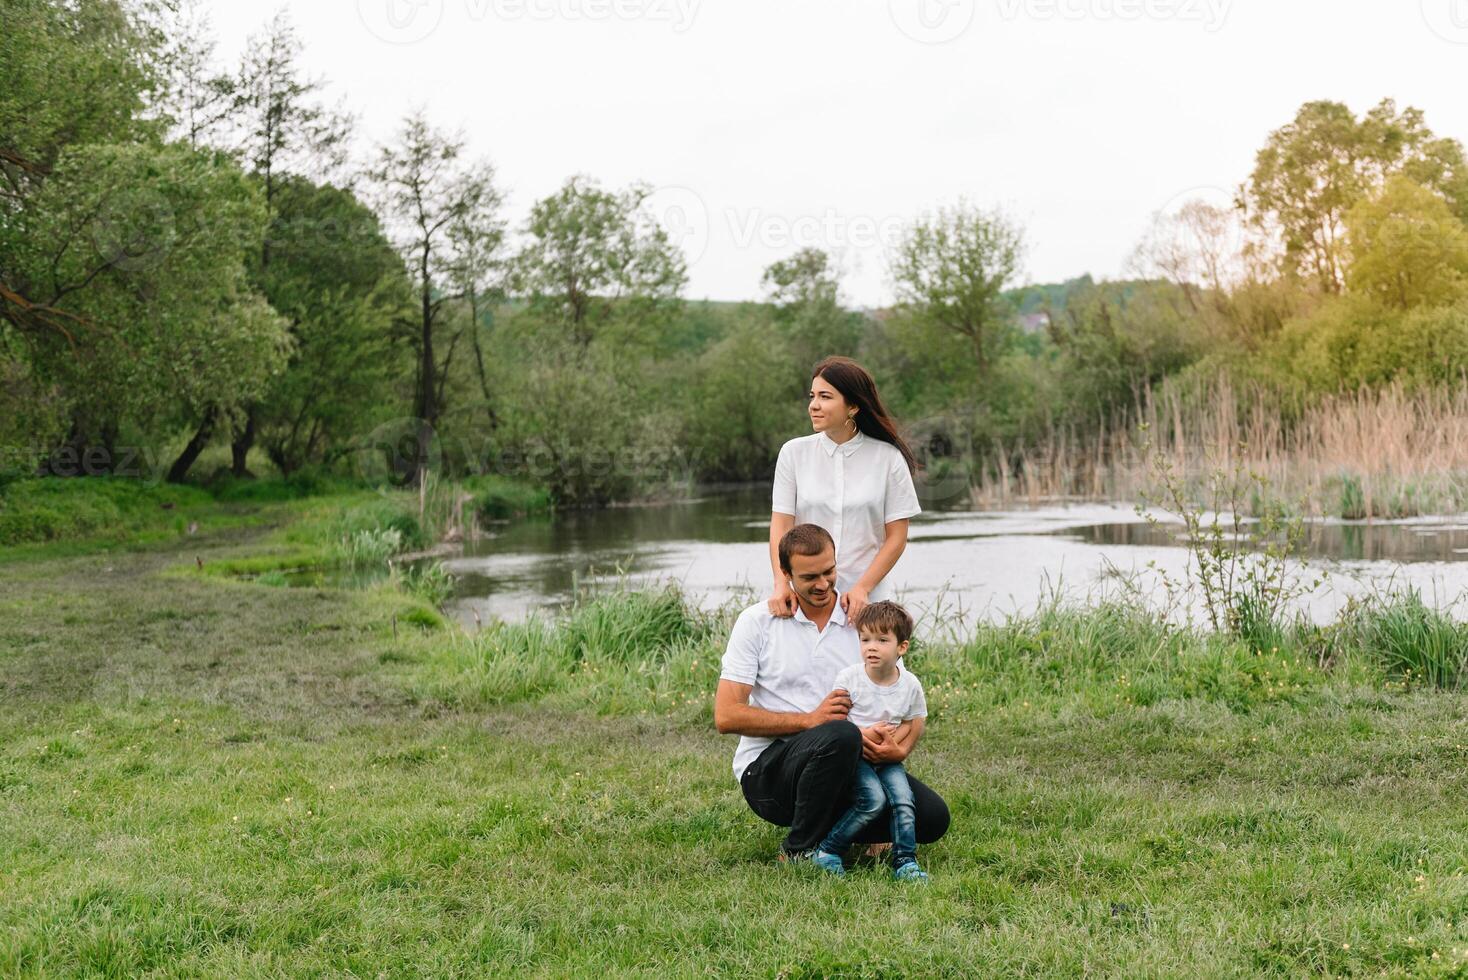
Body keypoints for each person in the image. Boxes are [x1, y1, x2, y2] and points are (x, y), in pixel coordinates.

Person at [716, 523, 949, 862]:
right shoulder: (756, 622)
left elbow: (901, 699)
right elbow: (726, 716)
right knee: (838, 733)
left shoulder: (862, 624)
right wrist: (811, 721)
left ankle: (851, 830)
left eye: (829, 571)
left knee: (932, 817)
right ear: (786, 574)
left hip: (851, 760)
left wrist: (896, 748)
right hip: (770, 775)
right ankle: (798, 850)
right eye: (810, 577)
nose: (823, 584)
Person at [768, 357, 921, 627]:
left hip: (865, 600)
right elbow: (781, 525)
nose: (814, 405)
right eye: (812, 396)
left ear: (853, 406)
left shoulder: (888, 458)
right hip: (803, 596)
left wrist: (863, 588)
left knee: (873, 668)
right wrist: (782, 583)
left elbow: (897, 537)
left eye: (825, 397)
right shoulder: (793, 453)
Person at [810, 600, 929, 881]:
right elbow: (835, 722)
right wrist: (865, 738)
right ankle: (829, 849)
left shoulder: (910, 684)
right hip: (856, 757)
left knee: (903, 799)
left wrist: (895, 749)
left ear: (902, 647)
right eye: (865, 639)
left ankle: (905, 861)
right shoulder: (849, 678)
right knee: (873, 800)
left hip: (886, 757)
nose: (871, 647)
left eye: (882, 640)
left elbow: (915, 720)